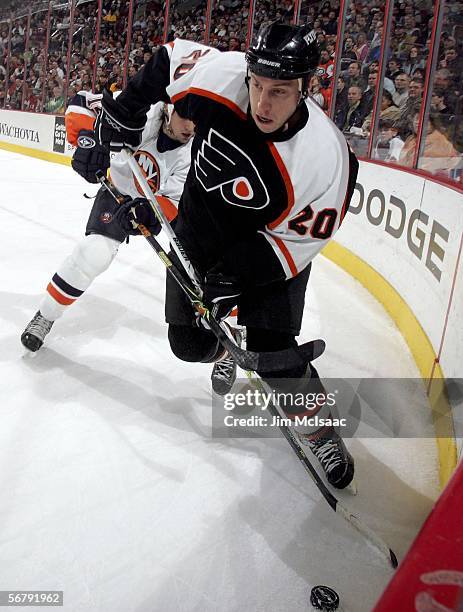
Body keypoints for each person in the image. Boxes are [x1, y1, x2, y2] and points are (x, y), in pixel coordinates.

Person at [90, 24, 359, 490]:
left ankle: (320, 430)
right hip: (202, 232)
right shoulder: (220, 76)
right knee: (188, 345)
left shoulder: (326, 157)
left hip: (272, 250)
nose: (262, 103)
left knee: (274, 352)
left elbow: (296, 243)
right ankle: (225, 348)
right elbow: (169, 58)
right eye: (257, 85)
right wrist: (127, 113)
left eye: (279, 91)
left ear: (305, 87)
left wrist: (231, 279)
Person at [21, 93, 195, 354]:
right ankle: (46, 315)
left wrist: (148, 213)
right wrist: (88, 141)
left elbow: (173, 202)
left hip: (146, 205)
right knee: (93, 254)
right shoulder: (142, 108)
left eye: (197, 121)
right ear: (170, 109)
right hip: (116, 190)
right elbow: (82, 102)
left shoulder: (192, 152)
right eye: (186, 118)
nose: (190, 128)